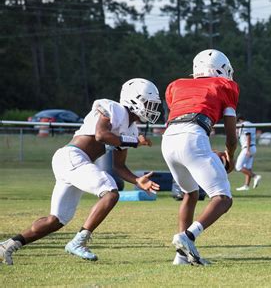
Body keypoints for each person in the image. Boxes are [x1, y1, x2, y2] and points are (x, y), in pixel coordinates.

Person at [0, 78, 161, 265]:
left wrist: (137, 180)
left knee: (56, 220)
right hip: (72, 157)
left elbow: (119, 166)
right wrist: (134, 142)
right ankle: (79, 242)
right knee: (110, 193)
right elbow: (101, 135)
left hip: (75, 163)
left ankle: (8, 245)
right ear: (135, 100)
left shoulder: (132, 130)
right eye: (149, 104)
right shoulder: (114, 108)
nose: (152, 109)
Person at [161, 49, 239, 266]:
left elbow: (182, 114)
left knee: (190, 194)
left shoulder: (176, 85)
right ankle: (189, 236)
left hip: (168, 140)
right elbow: (231, 136)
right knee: (223, 198)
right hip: (193, 136)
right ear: (222, 70)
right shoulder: (226, 86)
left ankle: (181, 257)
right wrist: (230, 156)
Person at [235, 115, 261, 191]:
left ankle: (255, 176)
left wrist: (248, 150)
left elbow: (248, 136)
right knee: (248, 167)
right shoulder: (251, 124)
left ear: (240, 120)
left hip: (247, 147)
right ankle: (246, 186)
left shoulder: (245, 124)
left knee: (238, 167)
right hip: (252, 147)